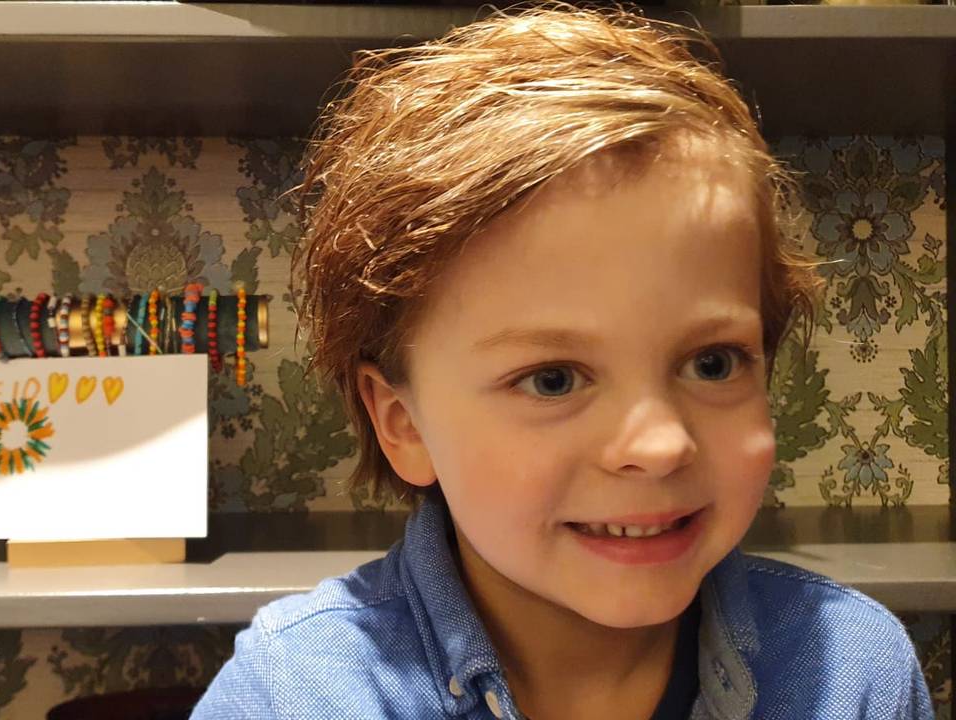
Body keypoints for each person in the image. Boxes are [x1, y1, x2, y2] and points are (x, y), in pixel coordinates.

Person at [190, 3, 934, 718]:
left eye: (713, 363)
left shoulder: (852, 671)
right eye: (553, 379)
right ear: (401, 422)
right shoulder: (292, 697)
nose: (660, 444)